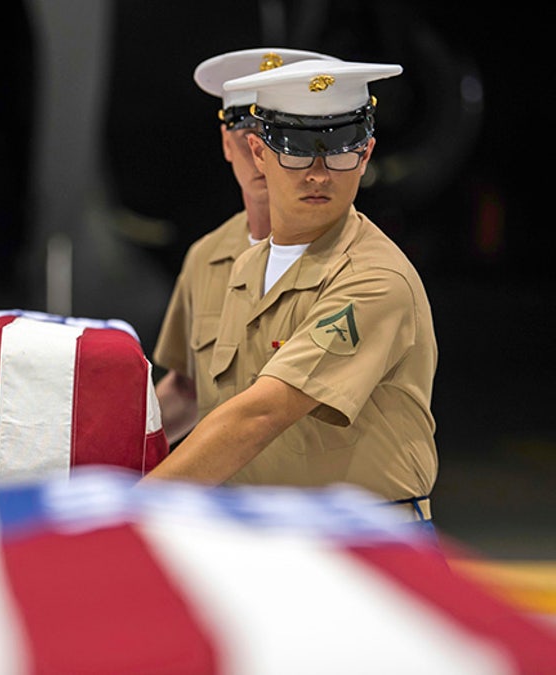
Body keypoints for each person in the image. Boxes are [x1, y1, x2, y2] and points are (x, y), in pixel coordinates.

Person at [141, 58, 438, 527]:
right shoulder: (245, 267)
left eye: (341, 153)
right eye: (296, 152)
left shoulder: (374, 277)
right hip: (264, 538)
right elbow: (200, 395)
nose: (318, 174)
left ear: (366, 154)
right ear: (258, 153)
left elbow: (261, 414)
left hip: (362, 545)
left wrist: (132, 507)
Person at [153, 48, 338, 444]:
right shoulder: (207, 256)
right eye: (248, 135)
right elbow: (186, 390)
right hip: (232, 495)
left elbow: (265, 413)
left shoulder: (351, 259)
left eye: (283, 137)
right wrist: (102, 459)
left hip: (318, 493)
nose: (262, 155)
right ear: (227, 142)